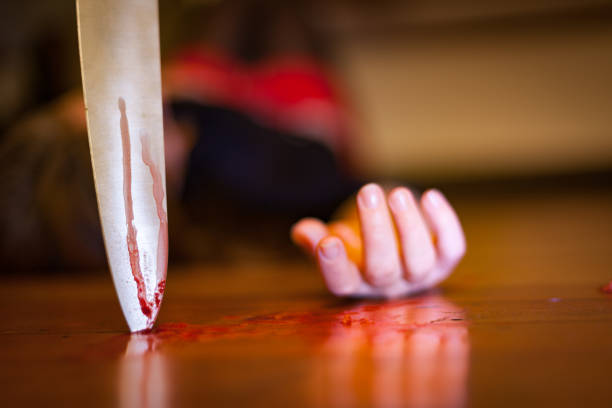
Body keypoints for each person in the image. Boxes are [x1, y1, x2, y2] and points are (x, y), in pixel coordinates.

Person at [0, 0, 465, 299]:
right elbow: (352, 189)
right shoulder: (239, 173)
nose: (143, 98)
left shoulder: (172, 127)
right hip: (292, 94)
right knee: (279, 11)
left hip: (221, 82)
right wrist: (381, 227)